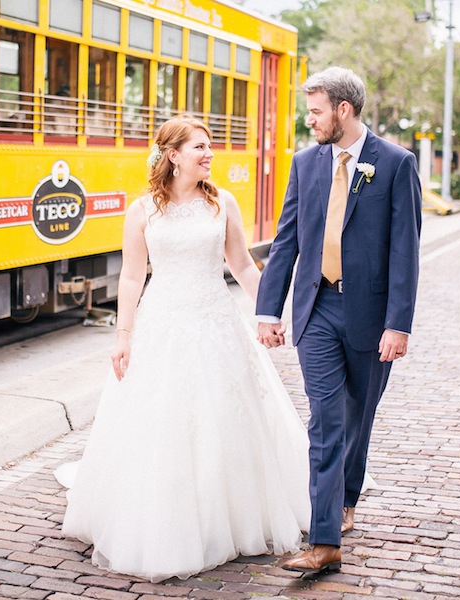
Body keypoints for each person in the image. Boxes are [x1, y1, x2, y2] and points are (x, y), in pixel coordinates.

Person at [55, 116, 311, 582]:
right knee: (165, 421)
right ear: (173, 155)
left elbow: (242, 264)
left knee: (226, 416)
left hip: (216, 323)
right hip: (163, 325)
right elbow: (132, 277)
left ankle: (228, 516)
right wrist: (123, 337)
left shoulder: (223, 203)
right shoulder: (143, 211)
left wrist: (269, 314)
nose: (209, 154)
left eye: (209, 147)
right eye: (200, 147)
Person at [256, 67, 422, 574]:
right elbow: (286, 240)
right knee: (325, 421)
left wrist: (399, 324)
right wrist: (268, 309)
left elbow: (405, 251)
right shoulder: (305, 164)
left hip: (371, 316)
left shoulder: (395, 164)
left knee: (357, 417)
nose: (309, 120)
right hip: (318, 309)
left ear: (343, 111)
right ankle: (324, 538)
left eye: (315, 111)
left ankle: (348, 495)